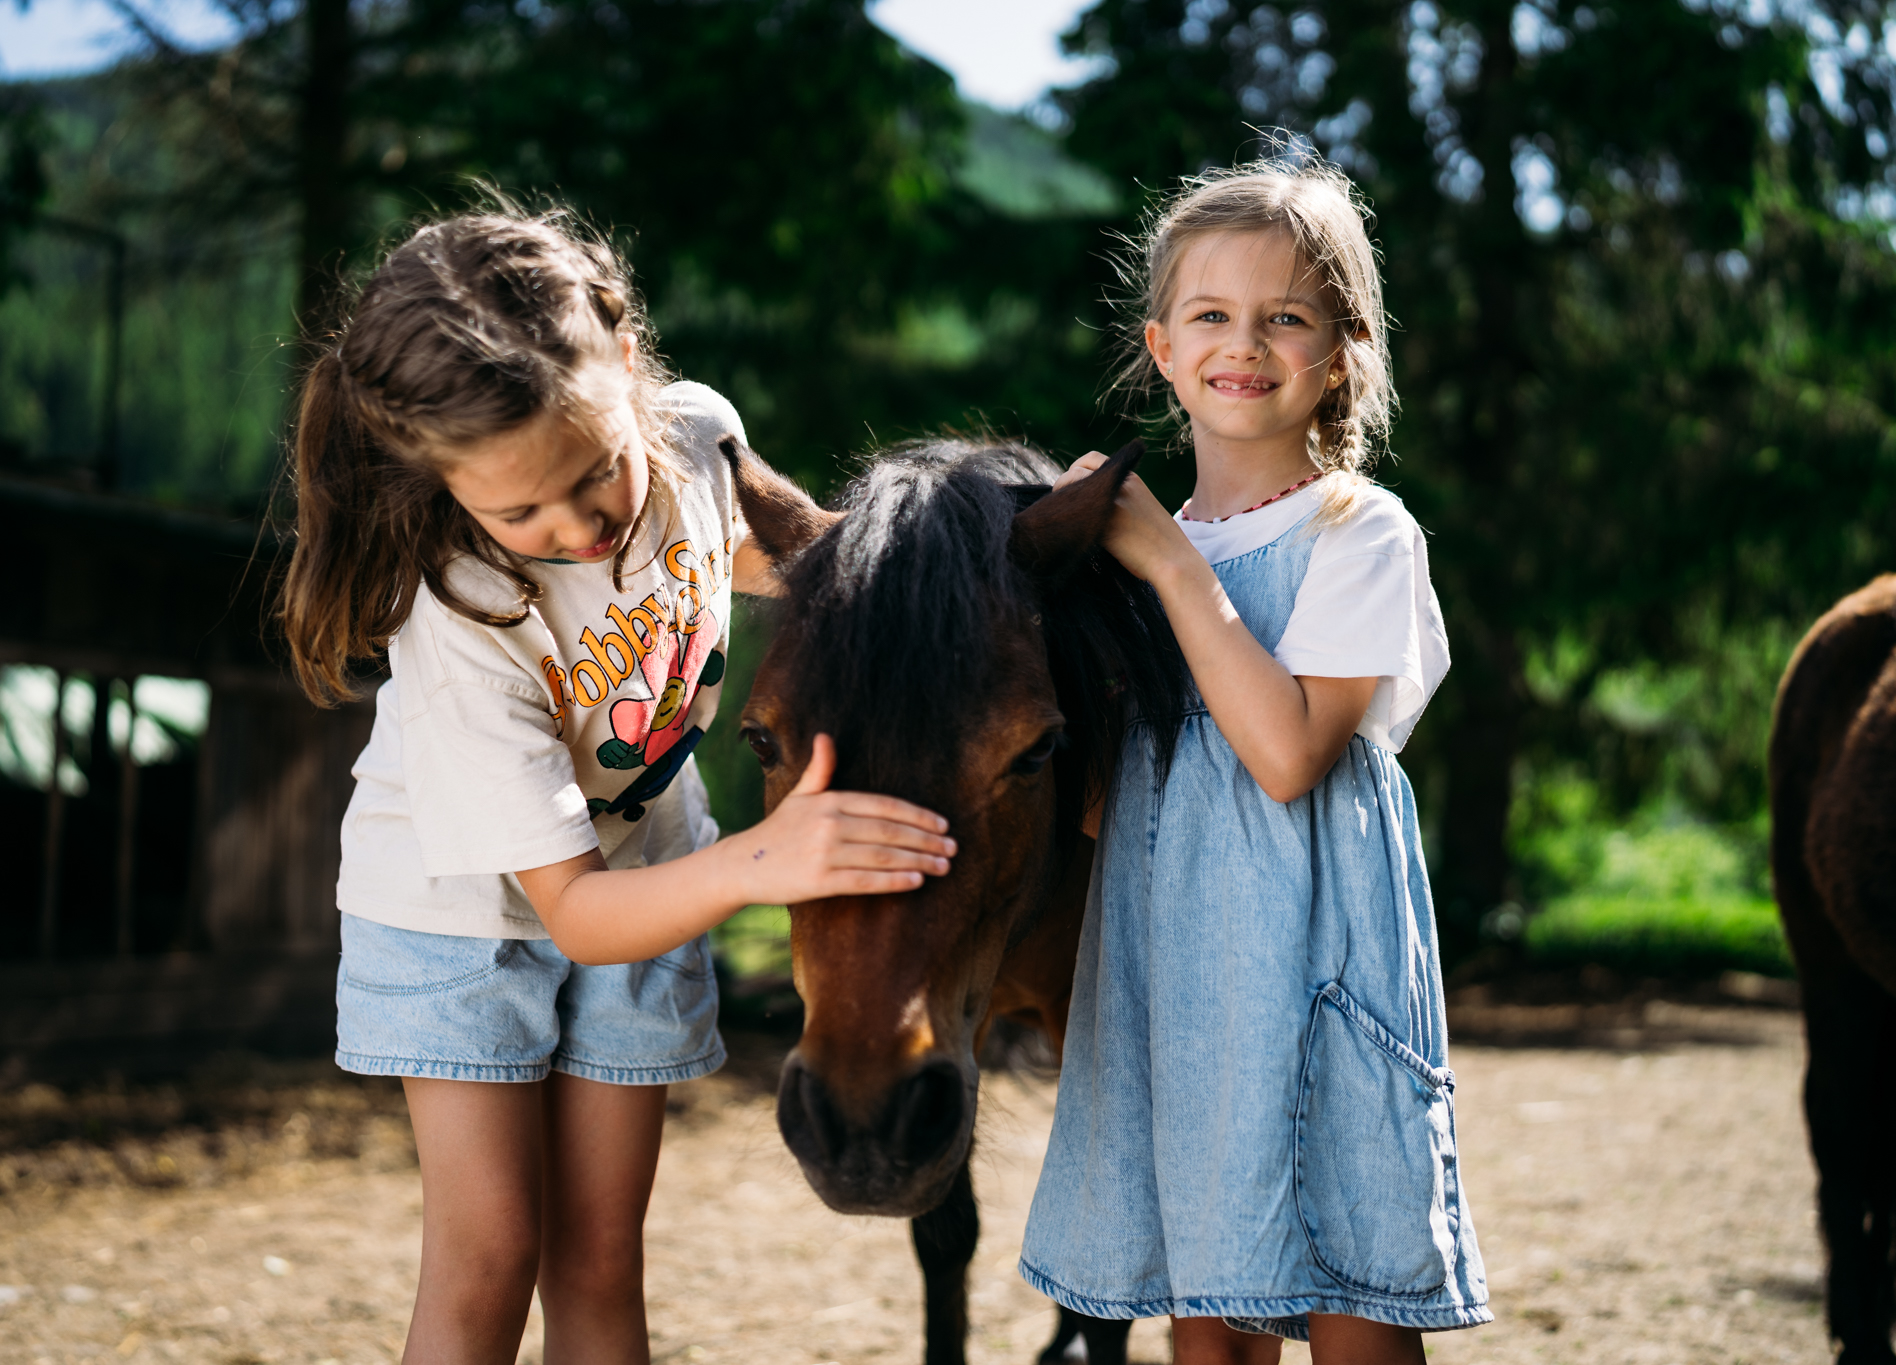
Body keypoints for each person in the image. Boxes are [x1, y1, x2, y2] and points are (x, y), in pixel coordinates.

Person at [280, 205, 958, 1365]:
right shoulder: (465, 609)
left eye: (595, 473)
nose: (577, 525)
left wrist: (990, 540)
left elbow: (802, 558)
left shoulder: (697, 440)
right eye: (517, 510)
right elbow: (574, 916)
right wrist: (762, 861)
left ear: (630, 366)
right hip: (457, 917)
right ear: (442, 485)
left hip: (653, 870)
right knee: (489, 1255)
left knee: (599, 1258)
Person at [1017, 160, 1491, 1363]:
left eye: (1285, 316)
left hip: (1316, 971)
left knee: (1351, 1303)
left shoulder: (1358, 532)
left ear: (1340, 349)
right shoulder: (1128, 553)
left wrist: (1168, 568)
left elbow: (1281, 757)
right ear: (1160, 348)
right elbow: (1103, 799)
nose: (1246, 343)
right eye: (1211, 316)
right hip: (1175, 978)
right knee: (1208, 1321)